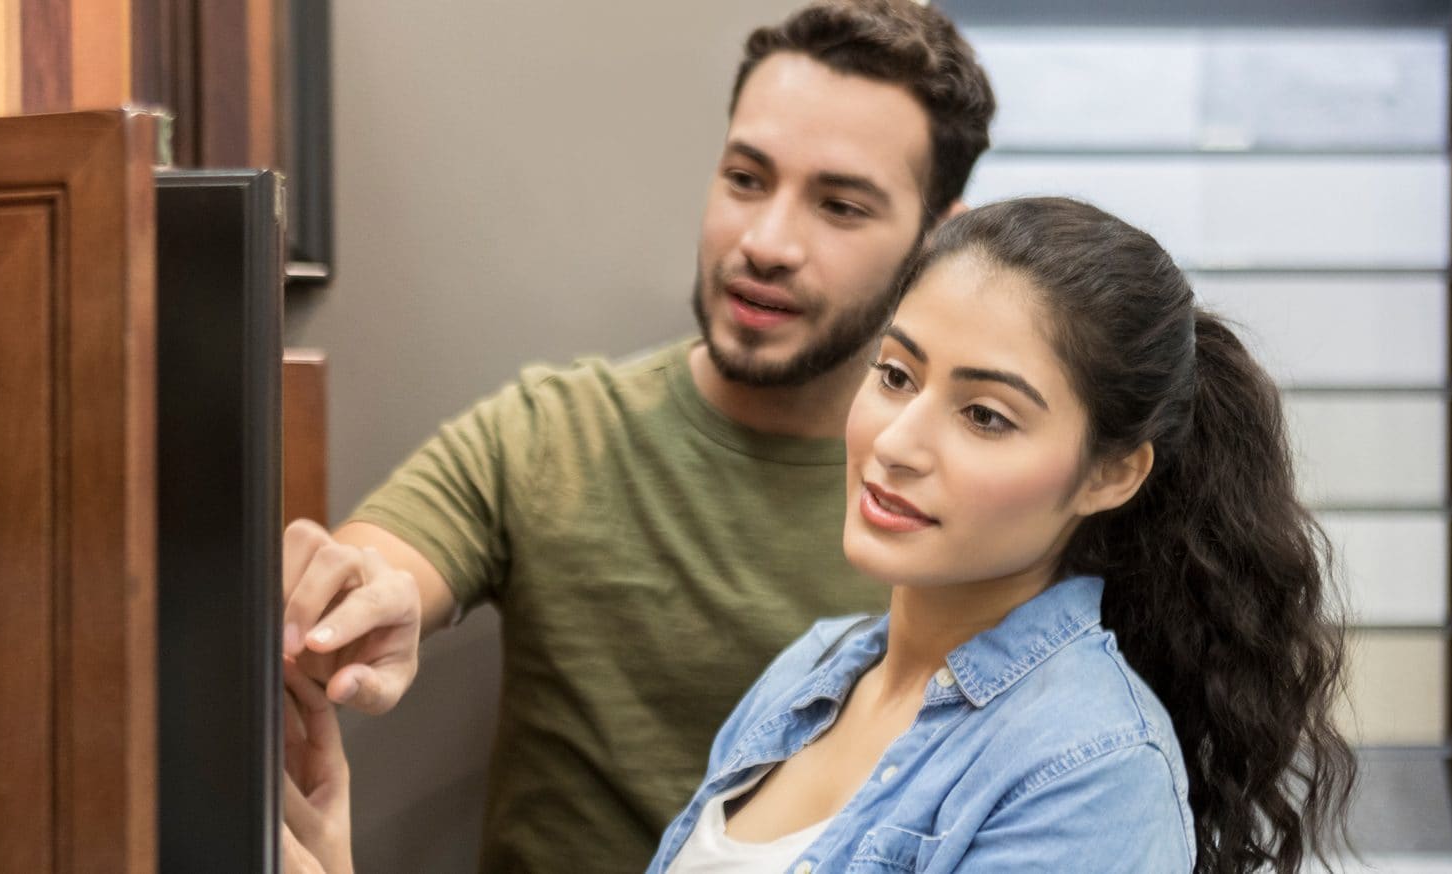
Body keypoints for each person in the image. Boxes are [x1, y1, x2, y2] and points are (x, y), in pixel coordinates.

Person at [282, 197, 1359, 874]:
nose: (896, 439)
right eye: (895, 375)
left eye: (985, 415)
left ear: (1113, 471)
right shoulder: (812, 676)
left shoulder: (1089, 767)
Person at [279, 2, 996, 870]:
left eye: (838, 206)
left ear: (939, 238)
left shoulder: (978, 509)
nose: (766, 242)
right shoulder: (552, 435)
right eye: (745, 178)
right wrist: (346, 605)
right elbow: (381, 571)